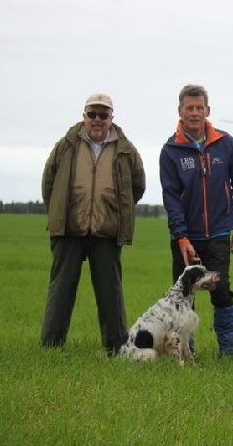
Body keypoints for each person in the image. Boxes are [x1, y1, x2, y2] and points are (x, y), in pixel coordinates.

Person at [41, 93, 146, 355]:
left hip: (107, 232)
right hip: (69, 229)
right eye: (92, 114)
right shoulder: (65, 145)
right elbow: (49, 184)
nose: (97, 120)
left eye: (103, 115)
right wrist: (59, 213)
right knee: (60, 291)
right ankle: (51, 346)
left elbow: (137, 186)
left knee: (111, 293)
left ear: (111, 118)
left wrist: (114, 209)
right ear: (84, 116)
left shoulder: (125, 149)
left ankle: (115, 348)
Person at [159, 84, 233, 357]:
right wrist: (181, 237)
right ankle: (186, 351)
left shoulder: (226, 143)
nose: (195, 113)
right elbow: (171, 197)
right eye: (190, 108)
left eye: (200, 108)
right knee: (184, 296)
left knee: (221, 289)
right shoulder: (170, 150)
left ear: (207, 110)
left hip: (219, 232)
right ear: (180, 111)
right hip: (186, 237)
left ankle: (227, 351)